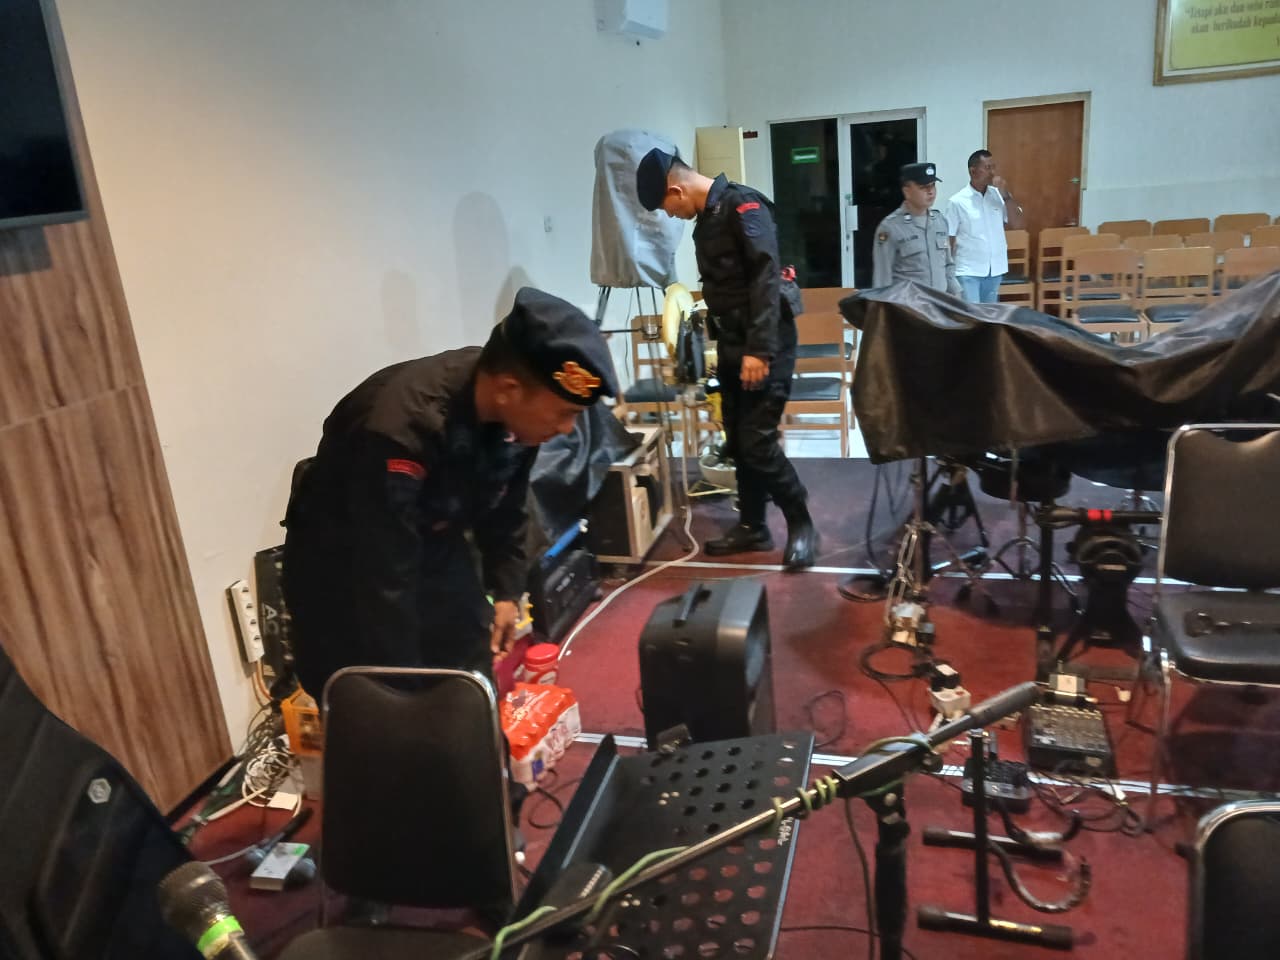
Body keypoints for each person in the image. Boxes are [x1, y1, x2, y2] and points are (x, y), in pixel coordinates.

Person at [281, 287, 618, 698]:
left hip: (432, 543)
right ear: (509, 389)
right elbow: (385, 575)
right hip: (347, 573)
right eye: (565, 413)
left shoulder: (516, 413)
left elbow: (508, 504)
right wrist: (403, 694)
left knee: (469, 679)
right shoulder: (400, 430)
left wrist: (507, 591)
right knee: (379, 703)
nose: (567, 429)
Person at [635, 147, 817, 570]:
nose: (671, 214)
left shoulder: (742, 205)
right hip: (734, 342)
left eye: (667, 207)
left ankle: (801, 521)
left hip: (764, 342)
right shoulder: (708, 218)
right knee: (737, 440)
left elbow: (766, 276)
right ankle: (753, 525)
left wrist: (759, 350)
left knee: (757, 441)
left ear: (676, 190)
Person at [944, 149, 1026, 304]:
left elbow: (1018, 224)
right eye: (988, 168)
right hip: (968, 271)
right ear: (973, 171)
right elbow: (949, 239)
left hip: (995, 269)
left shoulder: (999, 196)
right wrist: (948, 273)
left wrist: (1006, 195)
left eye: (993, 167)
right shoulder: (957, 201)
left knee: (990, 315)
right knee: (972, 315)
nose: (993, 173)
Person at [871, 161, 963, 296]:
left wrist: (957, 294)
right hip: (908, 305)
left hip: (939, 302)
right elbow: (882, 277)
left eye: (933, 185)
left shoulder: (940, 221)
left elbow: (948, 265)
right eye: (923, 187)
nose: (930, 192)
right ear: (907, 191)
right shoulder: (890, 227)